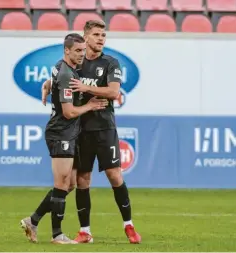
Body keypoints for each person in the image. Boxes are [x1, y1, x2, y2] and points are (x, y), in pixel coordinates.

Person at [41, 20, 141, 244]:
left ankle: (129, 226)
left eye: (103, 35)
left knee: (114, 175)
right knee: (83, 180)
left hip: (105, 127)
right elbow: (63, 77)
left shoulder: (110, 63)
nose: (101, 39)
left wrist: (87, 88)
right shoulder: (78, 62)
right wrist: (48, 83)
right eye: (96, 34)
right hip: (82, 130)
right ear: (86, 38)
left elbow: (114, 92)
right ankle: (85, 231)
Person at [20, 33, 108, 244]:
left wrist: (48, 83)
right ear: (66, 50)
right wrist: (90, 105)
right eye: (77, 51)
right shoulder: (67, 74)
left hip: (69, 132)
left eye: (83, 50)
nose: (82, 55)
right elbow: (68, 112)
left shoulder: (62, 67)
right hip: (61, 131)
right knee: (61, 183)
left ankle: (33, 220)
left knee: (68, 185)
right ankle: (57, 235)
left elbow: (56, 78)